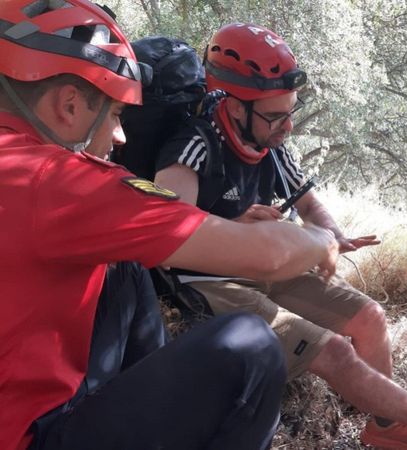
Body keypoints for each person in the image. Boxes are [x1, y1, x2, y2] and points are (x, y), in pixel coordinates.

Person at [0, 1, 343, 449]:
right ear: (68, 105)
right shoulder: (60, 181)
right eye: (117, 114)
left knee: (124, 266)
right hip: (30, 434)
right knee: (252, 345)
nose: (121, 137)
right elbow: (269, 255)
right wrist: (321, 239)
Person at [146, 22, 407, 449]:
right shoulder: (193, 146)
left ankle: (385, 429)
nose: (287, 127)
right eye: (275, 115)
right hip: (207, 279)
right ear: (236, 108)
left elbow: (308, 201)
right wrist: (235, 228)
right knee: (335, 352)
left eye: (291, 111)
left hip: (266, 264)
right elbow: (164, 239)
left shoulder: (269, 145)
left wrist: (334, 235)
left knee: (371, 318)